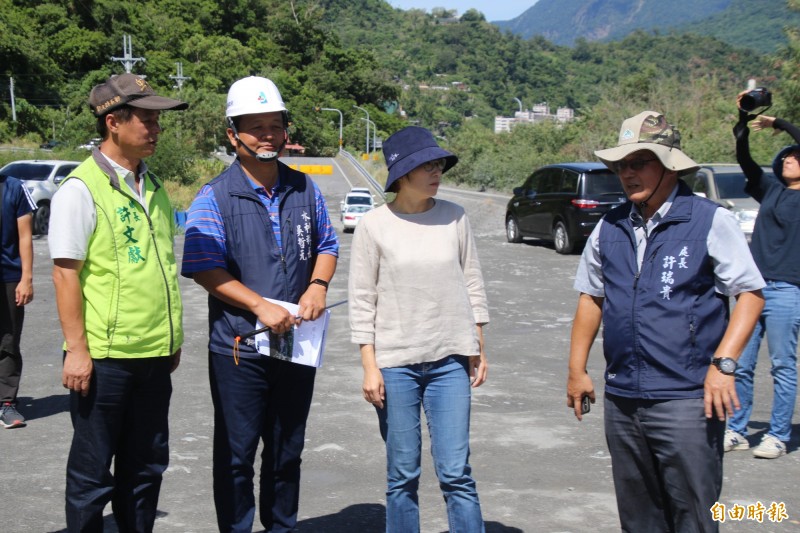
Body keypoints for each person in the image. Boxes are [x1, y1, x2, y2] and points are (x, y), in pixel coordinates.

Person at [566, 111, 765, 532]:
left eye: (640, 162)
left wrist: (723, 365)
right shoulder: (610, 226)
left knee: (693, 514)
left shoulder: (709, 220)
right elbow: (591, 297)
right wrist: (577, 370)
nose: (628, 174)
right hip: (623, 398)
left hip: (686, 399)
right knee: (639, 518)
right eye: (622, 165)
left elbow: (749, 293)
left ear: (669, 164)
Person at [181, 76, 339, 532]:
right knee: (236, 453)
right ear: (232, 134)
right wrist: (259, 306)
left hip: (296, 344)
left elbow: (327, 243)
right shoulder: (213, 196)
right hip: (240, 347)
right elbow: (204, 266)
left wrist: (317, 286)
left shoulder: (305, 189)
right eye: (255, 126)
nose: (267, 134)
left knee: (288, 447)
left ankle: (281, 526)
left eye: (275, 124)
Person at [49, 73, 186, 532]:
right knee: (91, 474)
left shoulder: (156, 185)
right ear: (113, 122)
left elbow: (160, 265)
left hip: (153, 354)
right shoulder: (81, 189)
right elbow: (66, 274)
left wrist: (171, 338)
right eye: (146, 119)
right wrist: (77, 349)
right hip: (105, 359)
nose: (156, 129)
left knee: (146, 467)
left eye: (157, 120)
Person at [349, 126, 489, 532]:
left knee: (456, 473)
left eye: (438, 164)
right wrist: (369, 366)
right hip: (395, 366)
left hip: (450, 361)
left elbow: (472, 282)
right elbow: (362, 301)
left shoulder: (454, 217)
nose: (436, 172)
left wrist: (478, 345)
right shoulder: (374, 225)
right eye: (426, 165)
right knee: (402, 475)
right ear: (401, 174)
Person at [725, 95, 800, 459]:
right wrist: (744, 117)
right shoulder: (770, 189)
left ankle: (778, 435)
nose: (789, 158)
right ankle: (736, 430)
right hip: (753, 288)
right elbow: (744, 157)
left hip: (788, 289)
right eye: (785, 156)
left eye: (796, 155)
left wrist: (780, 123)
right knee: (741, 363)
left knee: (783, 366)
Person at [0, 173, 35, 428]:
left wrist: (26, 278)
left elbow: (25, 236)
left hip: (9, 275)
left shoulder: (14, 188)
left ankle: (7, 403)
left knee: (8, 340)